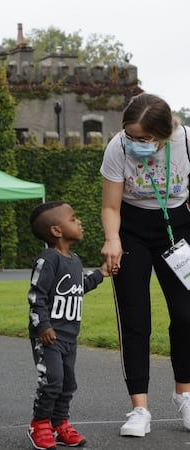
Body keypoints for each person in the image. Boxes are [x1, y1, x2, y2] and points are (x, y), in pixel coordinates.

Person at [100, 93, 190, 437]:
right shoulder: (117, 148)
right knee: (135, 318)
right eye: (130, 136)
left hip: (178, 229)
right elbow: (111, 205)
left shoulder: (186, 142)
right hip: (131, 230)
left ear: (164, 133)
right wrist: (113, 238)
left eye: (144, 139)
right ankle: (139, 408)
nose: (136, 144)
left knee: (186, 315)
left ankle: (185, 394)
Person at [26, 201, 107, 450]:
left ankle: (60, 424)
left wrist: (101, 274)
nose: (79, 221)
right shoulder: (48, 260)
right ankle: (39, 424)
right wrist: (43, 326)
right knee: (53, 380)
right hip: (49, 337)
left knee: (68, 383)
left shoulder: (74, 260)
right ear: (56, 231)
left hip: (70, 337)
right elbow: (36, 296)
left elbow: (79, 285)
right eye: (73, 218)